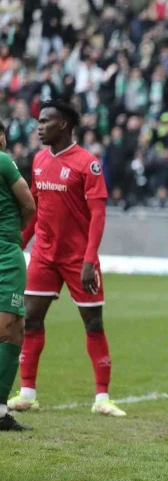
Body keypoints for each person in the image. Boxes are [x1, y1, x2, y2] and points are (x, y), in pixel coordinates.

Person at [8, 100, 126, 417]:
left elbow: (98, 216)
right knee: (31, 319)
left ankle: (102, 397)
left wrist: (89, 260)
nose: (39, 127)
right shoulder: (39, 159)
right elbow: (35, 208)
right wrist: (20, 242)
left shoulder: (88, 164)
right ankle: (28, 393)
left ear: (63, 125)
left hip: (79, 259)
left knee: (94, 323)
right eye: (38, 121)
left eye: (45, 121)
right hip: (44, 255)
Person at [0, 121, 36, 430]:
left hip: (6, 248)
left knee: (17, 330)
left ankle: (0, 411)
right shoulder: (3, 160)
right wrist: (14, 229)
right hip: (5, 252)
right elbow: (29, 204)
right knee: (5, 327)